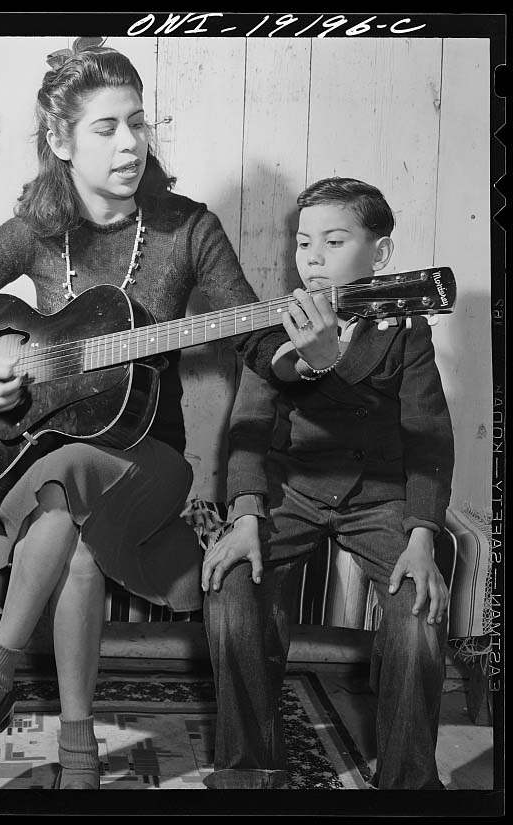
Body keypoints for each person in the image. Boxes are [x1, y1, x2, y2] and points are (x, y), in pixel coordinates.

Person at [0, 39, 333, 789]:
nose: (131, 143)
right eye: (106, 128)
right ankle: (79, 745)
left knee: (69, 484)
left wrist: (317, 352)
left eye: (138, 122)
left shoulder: (187, 229)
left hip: (150, 462)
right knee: (67, 530)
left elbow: (262, 346)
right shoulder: (36, 233)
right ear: (61, 141)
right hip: (46, 458)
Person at [201, 177, 454, 790]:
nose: (311, 258)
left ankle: (409, 784)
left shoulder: (405, 332)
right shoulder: (275, 322)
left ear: (381, 254)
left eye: (334, 241)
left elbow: (427, 436)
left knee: (417, 611)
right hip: (293, 491)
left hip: (379, 496)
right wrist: (245, 515)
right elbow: (250, 428)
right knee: (234, 584)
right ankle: (250, 767)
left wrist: (422, 537)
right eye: (303, 242)